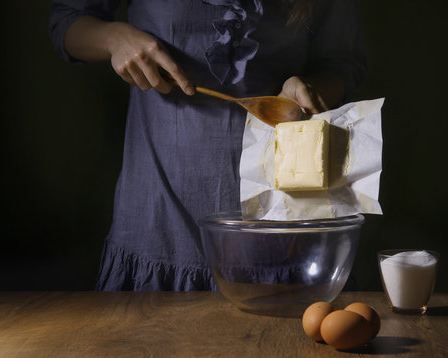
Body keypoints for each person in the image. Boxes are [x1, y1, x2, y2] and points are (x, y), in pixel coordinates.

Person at [49, 0, 366, 291]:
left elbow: (341, 64)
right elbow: (66, 24)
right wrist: (114, 37)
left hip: (281, 227)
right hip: (157, 221)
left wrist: (310, 88)